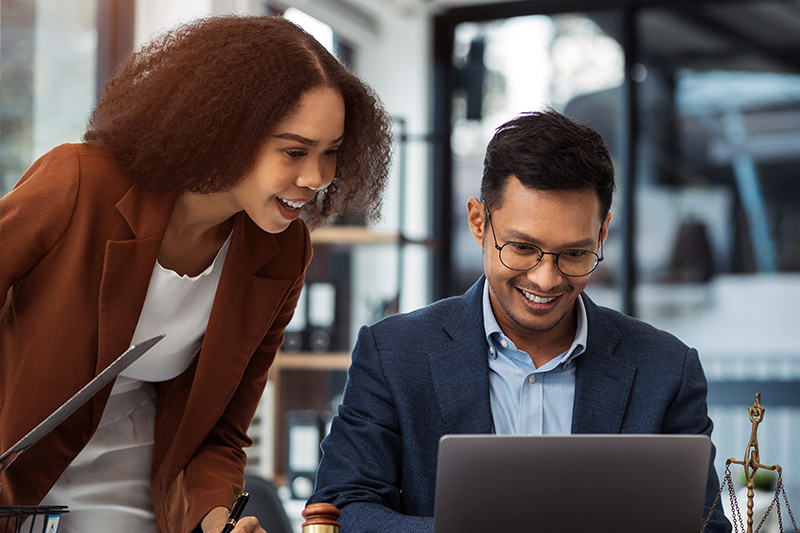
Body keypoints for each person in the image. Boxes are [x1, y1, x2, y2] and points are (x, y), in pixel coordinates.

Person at [0, 14, 392, 533]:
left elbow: (221, 431)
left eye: (331, 153)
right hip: (16, 475)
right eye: (295, 151)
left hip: (139, 486)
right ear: (226, 131)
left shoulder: (282, 251)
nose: (317, 178)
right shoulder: (78, 182)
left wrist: (216, 522)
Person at [308, 109, 731, 533]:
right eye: (523, 248)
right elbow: (342, 507)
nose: (545, 280)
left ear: (602, 235)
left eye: (575, 254)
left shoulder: (667, 369)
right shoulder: (394, 354)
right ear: (478, 221)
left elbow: (705, 525)